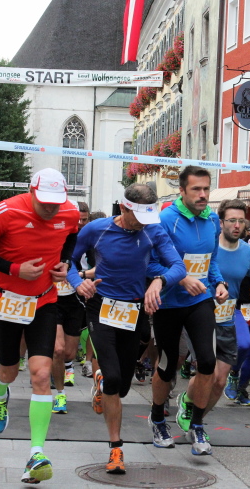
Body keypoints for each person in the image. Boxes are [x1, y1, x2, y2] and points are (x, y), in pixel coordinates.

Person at [0, 168, 80, 484]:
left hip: (44, 301)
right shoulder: (8, 211)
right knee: (9, 370)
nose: (51, 209)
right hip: (6, 299)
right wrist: (14, 269)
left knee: (41, 374)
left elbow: (71, 235)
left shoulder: (69, 211)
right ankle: (0, 393)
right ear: (31, 192)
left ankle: (36, 454)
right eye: (45, 203)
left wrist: (65, 261)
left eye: (56, 203)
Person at [67, 183, 185, 474]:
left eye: (147, 217)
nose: (142, 223)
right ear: (123, 208)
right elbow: (68, 260)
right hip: (101, 307)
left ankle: (102, 383)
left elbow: (178, 266)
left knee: (121, 387)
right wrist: (78, 282)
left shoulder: (153, 230)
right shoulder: (96, 229)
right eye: (138, 217)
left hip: (133, 310)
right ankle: (116, 448)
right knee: (113, 378)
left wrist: (159, 281)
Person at [148, 166, 228, 456]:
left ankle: (196, 424)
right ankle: (157, 418)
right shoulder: (166, 219)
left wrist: (219, 282)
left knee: (207, 362)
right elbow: (150, 263)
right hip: (169, 302)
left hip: (200, 300)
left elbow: (211, 260)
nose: (203, 195)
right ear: (182, 191)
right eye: (196, 189)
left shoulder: (213, 220)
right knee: (168, 366)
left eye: (206, 189)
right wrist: (181, 278)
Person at [202, 199, 250, 410]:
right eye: (232, 220)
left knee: (245, 345)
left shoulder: (248, 252)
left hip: (230, 309)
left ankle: (233, 375)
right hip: (202, 308)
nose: (237, 226)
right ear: (221, 223)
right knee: (203, 366)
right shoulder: (208, 247)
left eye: (241, 221)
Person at [50, 201, 90, 414]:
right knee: (58, 349)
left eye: (83, 220)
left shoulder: (83, 240)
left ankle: (64, 367)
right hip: (52, 299)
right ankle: (60, 395)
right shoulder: (49, 235)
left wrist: (81, 277)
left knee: (69, 352)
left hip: (74, 299)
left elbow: (95, 266)